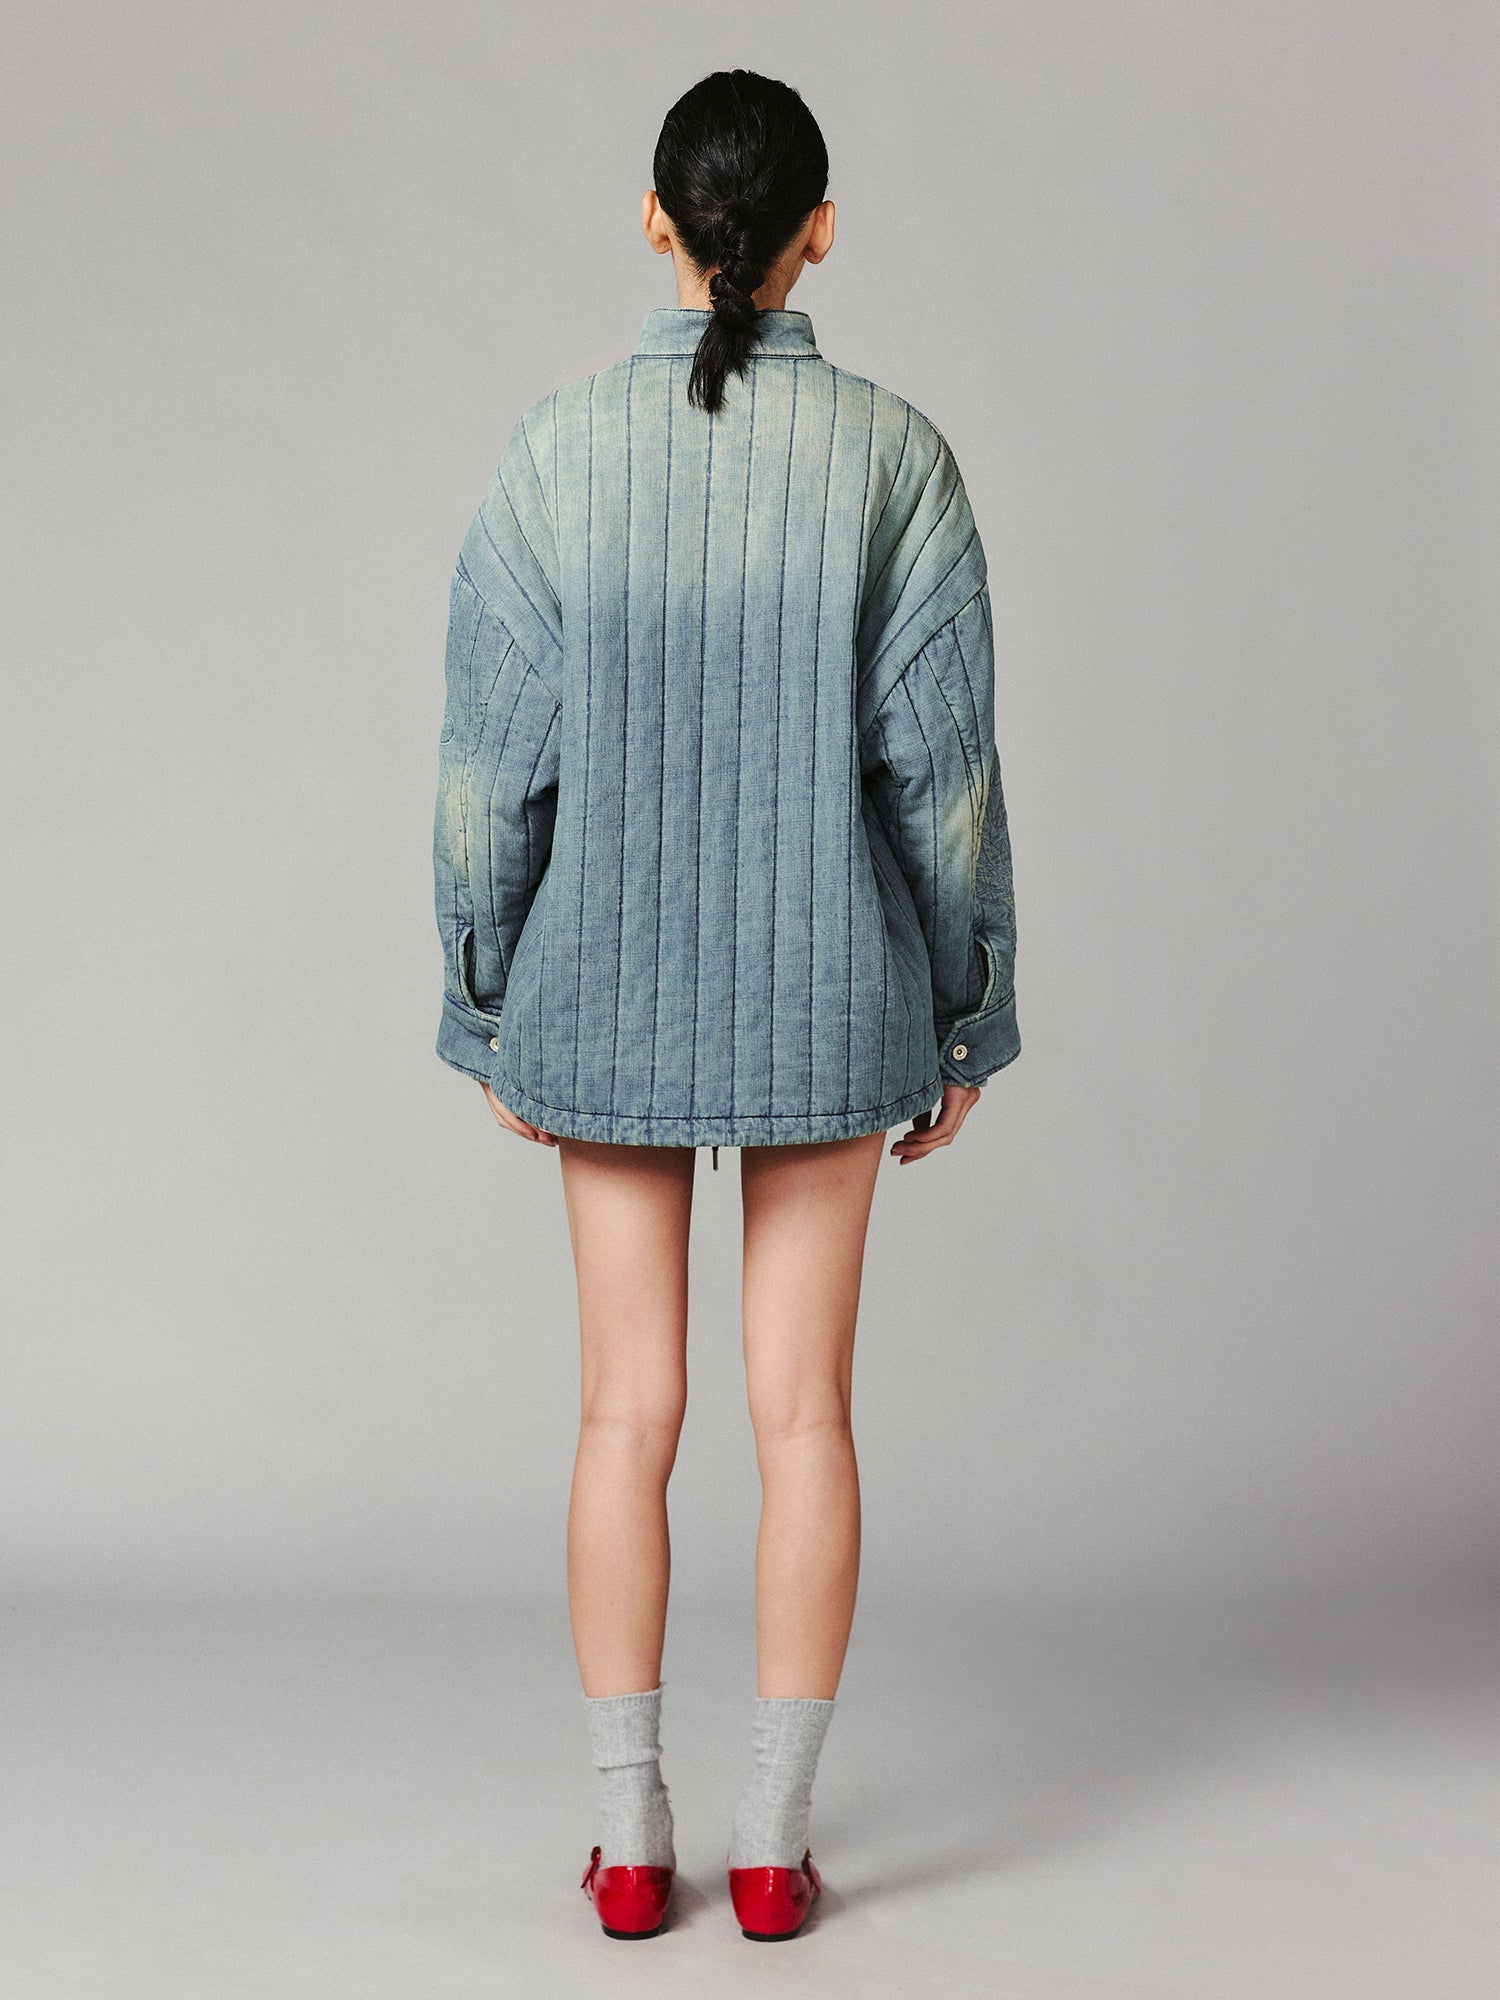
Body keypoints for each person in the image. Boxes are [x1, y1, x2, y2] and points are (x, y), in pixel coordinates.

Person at [431, 67, 1020, 1943]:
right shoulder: (894, 459)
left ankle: (629, 1844)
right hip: (832, 998)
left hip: (600, 993)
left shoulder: (553, 455)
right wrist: (966, 1013)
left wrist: (488, 991)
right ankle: (771, 1849)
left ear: (656, 224)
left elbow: (486, 776)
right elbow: (945, 783)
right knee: (806, 1419)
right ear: (819, 233)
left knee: (625, 1413)